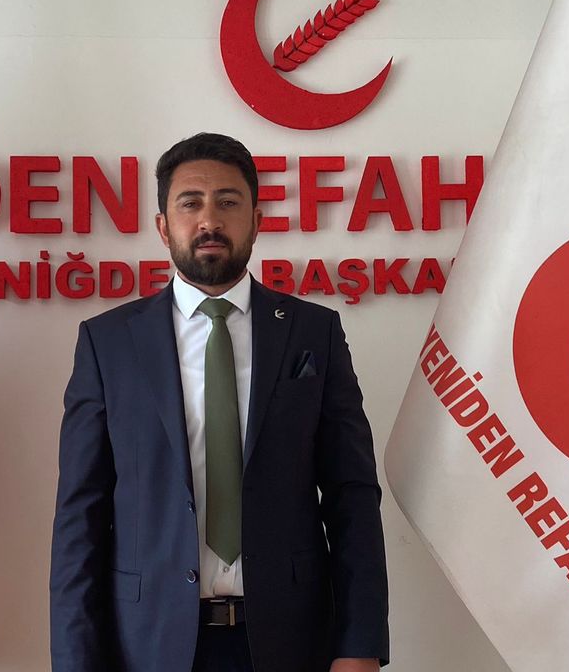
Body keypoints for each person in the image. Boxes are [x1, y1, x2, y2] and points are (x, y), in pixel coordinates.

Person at [50, 133, 389, 672]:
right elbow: (80, 514)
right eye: (190, 203)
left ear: (256, 220)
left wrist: (360, 645)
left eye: (228, 202)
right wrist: (76, 661)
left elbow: (352, 497)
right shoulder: (108, 343)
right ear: (164, 226)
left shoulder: (313, 333)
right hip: (148, 644)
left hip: (291, 640)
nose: (209, 220)